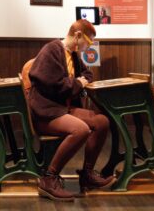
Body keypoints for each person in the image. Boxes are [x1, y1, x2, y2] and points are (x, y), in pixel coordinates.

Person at [28, 19, 114, 201]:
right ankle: (49, 179)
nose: (88, 47)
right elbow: (52, 84)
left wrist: (77, 82)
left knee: (102, 121)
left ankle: (87, 174)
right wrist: (77, 83)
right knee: (81, 130)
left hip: (63, 108)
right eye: (89, 42)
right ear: (77, 35)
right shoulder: (51, 49)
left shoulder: (73, 54)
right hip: (46, 111)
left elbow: (87, 74)